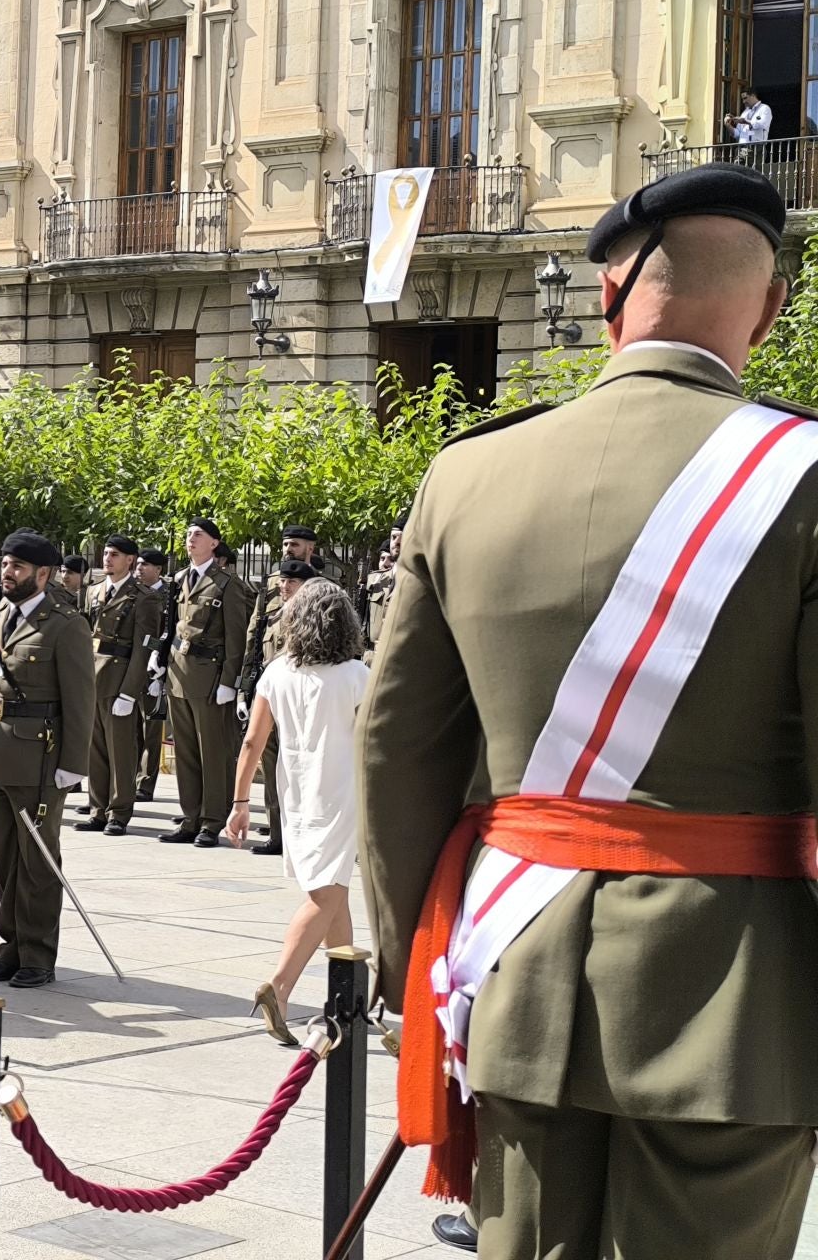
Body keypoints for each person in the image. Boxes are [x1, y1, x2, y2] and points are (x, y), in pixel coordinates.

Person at [361, 163, 818, 1255]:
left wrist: (408, 968)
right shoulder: (801, 474)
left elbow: (396, 753)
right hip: (739, 1010)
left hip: (517, 975)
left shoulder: (469, 474)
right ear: (766, 307)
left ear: (611, 293)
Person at [229, 579, 370, 1044]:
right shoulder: (355, 674)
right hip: (342, 794)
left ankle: (347, 1002)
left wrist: (240, 802)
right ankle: (280, 986)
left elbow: (253, 741)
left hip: (296, 794)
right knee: (325, 897)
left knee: (335, 894)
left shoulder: (276, 671)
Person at [0, 530, 94, 988]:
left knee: (37, 862)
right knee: (4, 860)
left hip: (40, 756)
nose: (7, 573)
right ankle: (11, 949)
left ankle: (38, 955)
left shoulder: (65, 624)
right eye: (4, 564)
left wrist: (73, 762)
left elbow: (82, 699)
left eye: (17, 567)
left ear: (43, 574)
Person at [157, 518, 252, 847]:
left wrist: (230, 681)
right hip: (178, 673)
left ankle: (212, 820)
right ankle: (190, 817)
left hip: (210, 676)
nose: (190, 540)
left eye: (198, 535)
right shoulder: (181, 579)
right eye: (188, 535)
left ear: (214, 543)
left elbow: (236, 637)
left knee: (212, 751)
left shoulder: (227, 583)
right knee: (185, 751)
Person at [77, 535, 162, 837]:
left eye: (115, 555)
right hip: (93, 677)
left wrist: (129, 691)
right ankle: (97, 809)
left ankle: (119, 811)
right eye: (106, 553)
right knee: (95, 749)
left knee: (121, 752)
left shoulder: (143, 597)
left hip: (119, 678)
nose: (108, 559)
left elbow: (143, 648)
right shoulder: (94, 591)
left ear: (130, 560)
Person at [238, 554, 322, 857]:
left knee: (299, 769)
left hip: (298, 701)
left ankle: (300, 831)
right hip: (270, 697)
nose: (285, 586)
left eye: (292, 581)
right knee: (272, 766)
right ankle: (277, 833)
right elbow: (257, 655)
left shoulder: (315, 621)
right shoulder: (273, 615)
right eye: (283, 580)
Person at [133, 547, 170, 802]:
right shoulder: (134, 594)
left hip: (156, 670)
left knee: (151, 729)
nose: (139, 568)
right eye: (138, 564)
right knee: (130, 729)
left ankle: (145, 783)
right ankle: (128, 780)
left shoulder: (170, 596)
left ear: (158, 570)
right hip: (133, 667)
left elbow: (167, 633)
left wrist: (160, 665)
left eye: (145, 564)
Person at [362, 514, 405, 656]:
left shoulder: (421, 581)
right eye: (393, 537)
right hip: (372, 657)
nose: (396, 542)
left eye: (402, 537)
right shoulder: (375, 580)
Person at [725, 84, 772, 150]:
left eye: (745, 98)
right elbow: (737, 134)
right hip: (741, 148)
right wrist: (728, 125)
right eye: (742, 99)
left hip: (756, 148)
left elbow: (763, 124)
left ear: (753, 95)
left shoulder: (764, 108)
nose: (743, 102)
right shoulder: (745, 112)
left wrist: (745, 121)